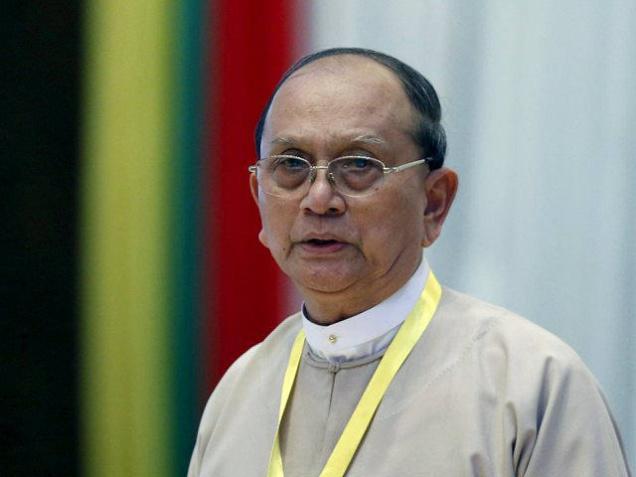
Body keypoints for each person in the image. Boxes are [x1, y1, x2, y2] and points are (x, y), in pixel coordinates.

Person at [188, 48, 631, 476]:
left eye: (359, 164)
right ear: (259, 199)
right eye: (291, 164)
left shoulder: (532, 384)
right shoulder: (238, 392)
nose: (319, 199)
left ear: (433, 204)